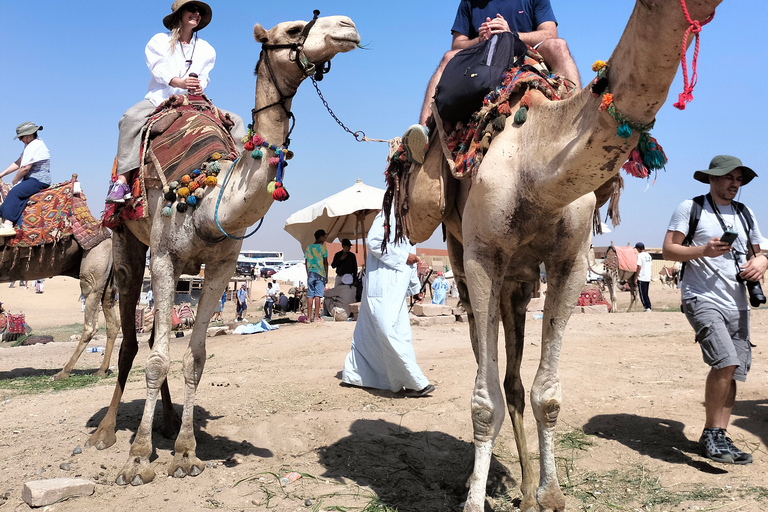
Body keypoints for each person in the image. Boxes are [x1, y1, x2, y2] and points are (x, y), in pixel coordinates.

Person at [662, 155, 767, 465]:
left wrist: (761, 262)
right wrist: (703, 251)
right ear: (712, 179)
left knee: (733, 368)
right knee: (725, 361)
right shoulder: (691, 208)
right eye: (728, 178)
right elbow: (669, 249)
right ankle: (711, 435)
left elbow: (758, 252)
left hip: (737, 301)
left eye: (739, 179)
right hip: (701, 296)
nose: (734, 184)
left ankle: (719, 434)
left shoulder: (745, 213)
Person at [402, 0, 581, 163]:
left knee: (558, 45)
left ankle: (577, 118)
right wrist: (480, 39)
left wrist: (510, 33)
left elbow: (549, 33)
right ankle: (423, 133)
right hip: (480, 56)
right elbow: (457, 44)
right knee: (448, 57)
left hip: (521, 50)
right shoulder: (469, 3)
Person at [105, 0, 244, 203]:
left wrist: (199, 85)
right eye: (192, 9)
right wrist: (179, 81)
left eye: (199, 12)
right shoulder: (159, 41)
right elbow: (158, 69)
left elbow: (205, 76)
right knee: (130, 118)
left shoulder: (207, 49)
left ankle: (238, 176)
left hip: (194, 101)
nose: (196, 14)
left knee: (237, 121)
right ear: (179, 14)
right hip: (161, 98)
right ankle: (123, 181)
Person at [341, 209, 435, 397]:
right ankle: (415, 381)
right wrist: (402, 257)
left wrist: (415, 288)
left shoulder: (408, 222)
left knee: (387, 333)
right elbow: (374, 242)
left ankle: (357, 375)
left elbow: (411, 259)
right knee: (386, 330)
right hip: (382, 286)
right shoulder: (387, 214)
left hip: (397, 290)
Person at [0, 122, 53, 237]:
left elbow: (25, 168)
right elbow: (19, 162)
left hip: (38, 179)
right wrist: (2, 174)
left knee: (15, 192)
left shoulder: (35, 145)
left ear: (28, 134)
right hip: (31, 179)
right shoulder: (30, 145)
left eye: (21, 137)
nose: (20, 140)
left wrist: (15, 180)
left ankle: (8, 225)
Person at [304, 229, 328, 323]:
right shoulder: (323, 248)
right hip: (320, 273)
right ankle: (316, 317)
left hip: (311, 273)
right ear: (321, 237)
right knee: (318, 295)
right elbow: (326, 262)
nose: (325, 238)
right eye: (324, 236)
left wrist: (308, 273)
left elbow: (306, 262)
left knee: (310, 295)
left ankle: (309, 318)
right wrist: (326, 274)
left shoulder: (308, 248)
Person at [634, 242, 653, 312]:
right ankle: (648, 306)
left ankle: (647, 306)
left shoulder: (640, 256)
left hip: (642, 277)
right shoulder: (649, 255)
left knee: (642, 293)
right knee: (645, 293)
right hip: (647, 276)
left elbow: (639, 266)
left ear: (639, 249)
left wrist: (636, 277)